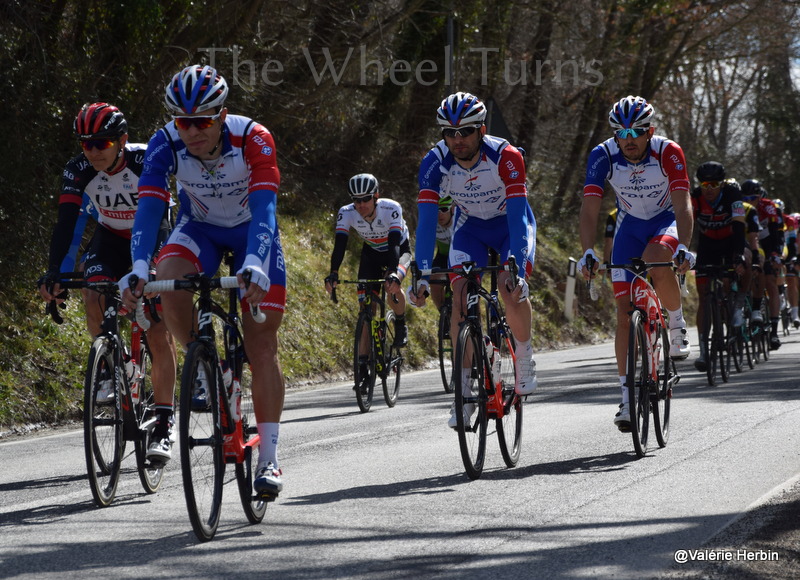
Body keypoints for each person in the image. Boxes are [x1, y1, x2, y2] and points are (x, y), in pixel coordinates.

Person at [120, 65, 287, 496]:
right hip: (201, 230)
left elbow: (266, 207)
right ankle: (202, 362)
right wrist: (140, 267)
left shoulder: (254, 137)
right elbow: (151, 207)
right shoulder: (164, 143)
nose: (192, 131)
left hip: (252, 231)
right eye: (182, 121)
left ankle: (268, 459)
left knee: (262, 344)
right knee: (168, 280)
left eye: (202, 121)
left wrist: (255, 261)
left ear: (221, 115)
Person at [408, 91, 538, 429]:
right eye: (449, 133)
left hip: (509, 225)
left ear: (481, 130)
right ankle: (463, 394)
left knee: (510, 288)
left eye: (464, 131)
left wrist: (518, 264)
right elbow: (425, 222)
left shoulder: (505, 156)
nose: (456, 139)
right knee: (459, 300)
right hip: (470, 230)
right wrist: (421, 273)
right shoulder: (434, 163)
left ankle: (523, 358)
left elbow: (517, 217)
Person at [38, 102, 175, 410]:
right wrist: (55, 273)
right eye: (87, 144)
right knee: (93, 290)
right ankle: (111, 366)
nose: (94, 151)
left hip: (153, 234)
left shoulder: (145, 160)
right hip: (111, 236)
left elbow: (162, 218)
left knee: (155, 321)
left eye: (103, 143)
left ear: (122, 140)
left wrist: (151, 267)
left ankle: (167, 413)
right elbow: (67, 223)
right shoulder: (79, 170)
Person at [578, 95, 693, 432]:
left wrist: (684, 244)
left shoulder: (668, 151)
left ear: (649, 131)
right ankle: (627, 399)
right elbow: (590, 208)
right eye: (621, 133)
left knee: (657, 259)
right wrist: (588, 251)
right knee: (624, 316)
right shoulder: (603, 154)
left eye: (636, 132)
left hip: (666, 221)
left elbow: (683, 201)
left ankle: (675, 323)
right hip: (630, 226)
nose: (628, 140)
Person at [323, 173, 411, 365]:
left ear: (376, 196)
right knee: (365, 308)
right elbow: (340, 245)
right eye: (356, 200)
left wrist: (393, 271)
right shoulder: (346, 213)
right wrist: (334, 272)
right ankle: (363, 363)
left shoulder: (391, 208)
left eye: (365, 199)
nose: (361, 204)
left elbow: (395, 244)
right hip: (370, 252)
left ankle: (401, 322)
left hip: (397, 250)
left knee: (391, 286)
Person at [689, 161, 746, 372]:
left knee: (740, 267)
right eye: (705, 184)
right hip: (707, 245)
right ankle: (704, 350)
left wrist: (738, 255)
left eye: (714, 184)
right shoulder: (695, 196)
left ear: (722, 184)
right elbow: (688, 225)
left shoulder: (733, 195)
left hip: (731, 242)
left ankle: (734, 306)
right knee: (704, 297)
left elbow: (739, 224)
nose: (709, 189)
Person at [741, 179, 784, 349]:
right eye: (746, 197)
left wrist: (776, 254)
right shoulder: (740, 207)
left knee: (771, 282)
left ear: (759, 196)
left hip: (767, 243)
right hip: (746, 242)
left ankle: (773, 332)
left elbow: (777, 233)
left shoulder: (769, 207)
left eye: (753, 197)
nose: (750, 200)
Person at [430, 195, 455, 311]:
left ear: (452, 209)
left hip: (461, 255)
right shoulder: (432, 224)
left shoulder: (458, 220)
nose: (440, 214)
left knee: (468, 288)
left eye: (444, 209)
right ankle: (444, 316)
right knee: (434, 281)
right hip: (443, 255)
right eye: (436, 210)